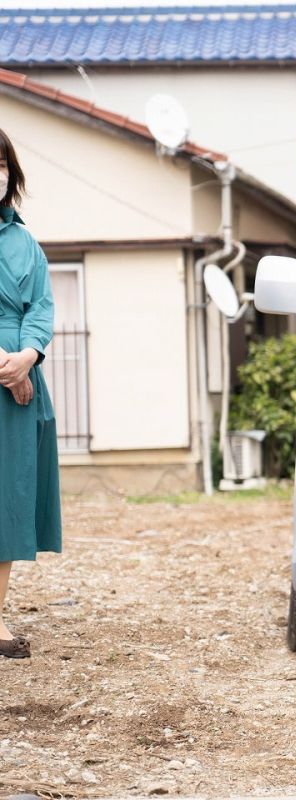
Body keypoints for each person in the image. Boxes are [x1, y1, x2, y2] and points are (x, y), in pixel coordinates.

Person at [0, 127, 62, 660]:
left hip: (15, 384)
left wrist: (26, 358)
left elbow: (39, 309)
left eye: (0, 163)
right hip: (8, 376)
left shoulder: (25, 242)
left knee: (9, 500)